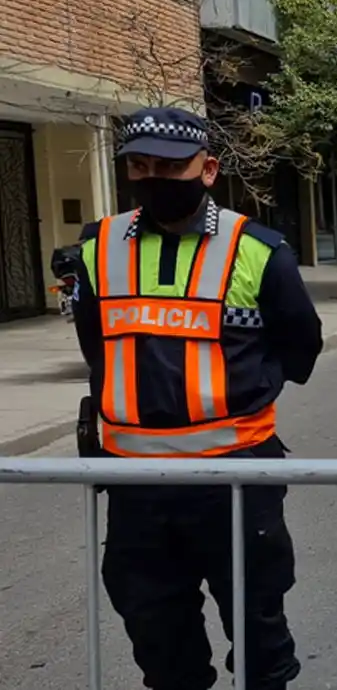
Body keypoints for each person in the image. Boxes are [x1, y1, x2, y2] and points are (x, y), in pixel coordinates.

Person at [72, 108, 324, 690]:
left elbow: (300, 348)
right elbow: (97, 350)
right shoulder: (97, 248)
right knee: (158, 636)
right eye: (141, 164)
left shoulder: (258, 250)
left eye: (170, 165)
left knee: (259, 630)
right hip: (137, 485)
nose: (154, 175)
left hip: (235, 481)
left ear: (207, 169)